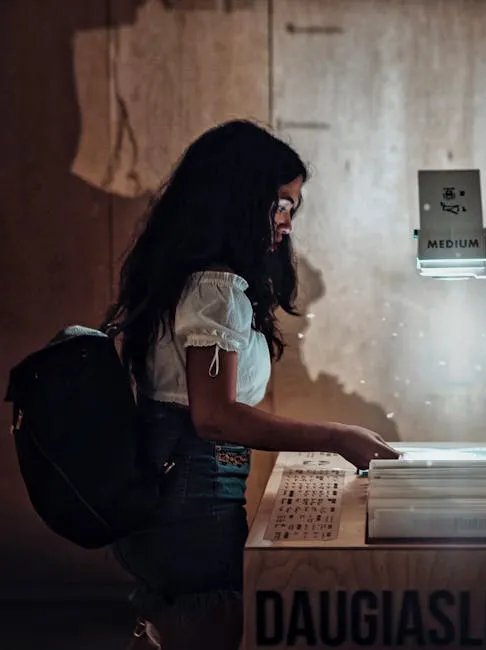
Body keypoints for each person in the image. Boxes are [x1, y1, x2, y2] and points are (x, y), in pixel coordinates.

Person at [103, 119, 400, 650]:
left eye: (293, 207)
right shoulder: (214, 289)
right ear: (239, 199)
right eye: (280, 204)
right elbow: (214, 416)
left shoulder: (190, 278)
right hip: (192, 507)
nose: (287, 222)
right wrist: (335, 437)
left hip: (173, 499)